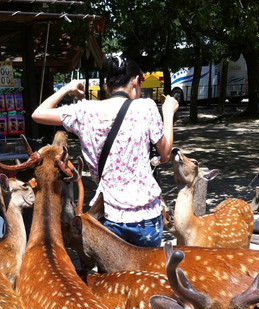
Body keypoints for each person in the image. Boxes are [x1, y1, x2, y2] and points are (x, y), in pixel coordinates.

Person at [32, 55, 179, 248]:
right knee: (146, 277)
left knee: (110, 279)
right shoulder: (146, 107)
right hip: (145, 218)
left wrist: (68, 88)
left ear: (107, 88)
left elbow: (38, 114)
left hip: (107, 217)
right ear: (135, 81)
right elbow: (165, 153)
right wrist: (168, 113)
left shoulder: (85, 111)